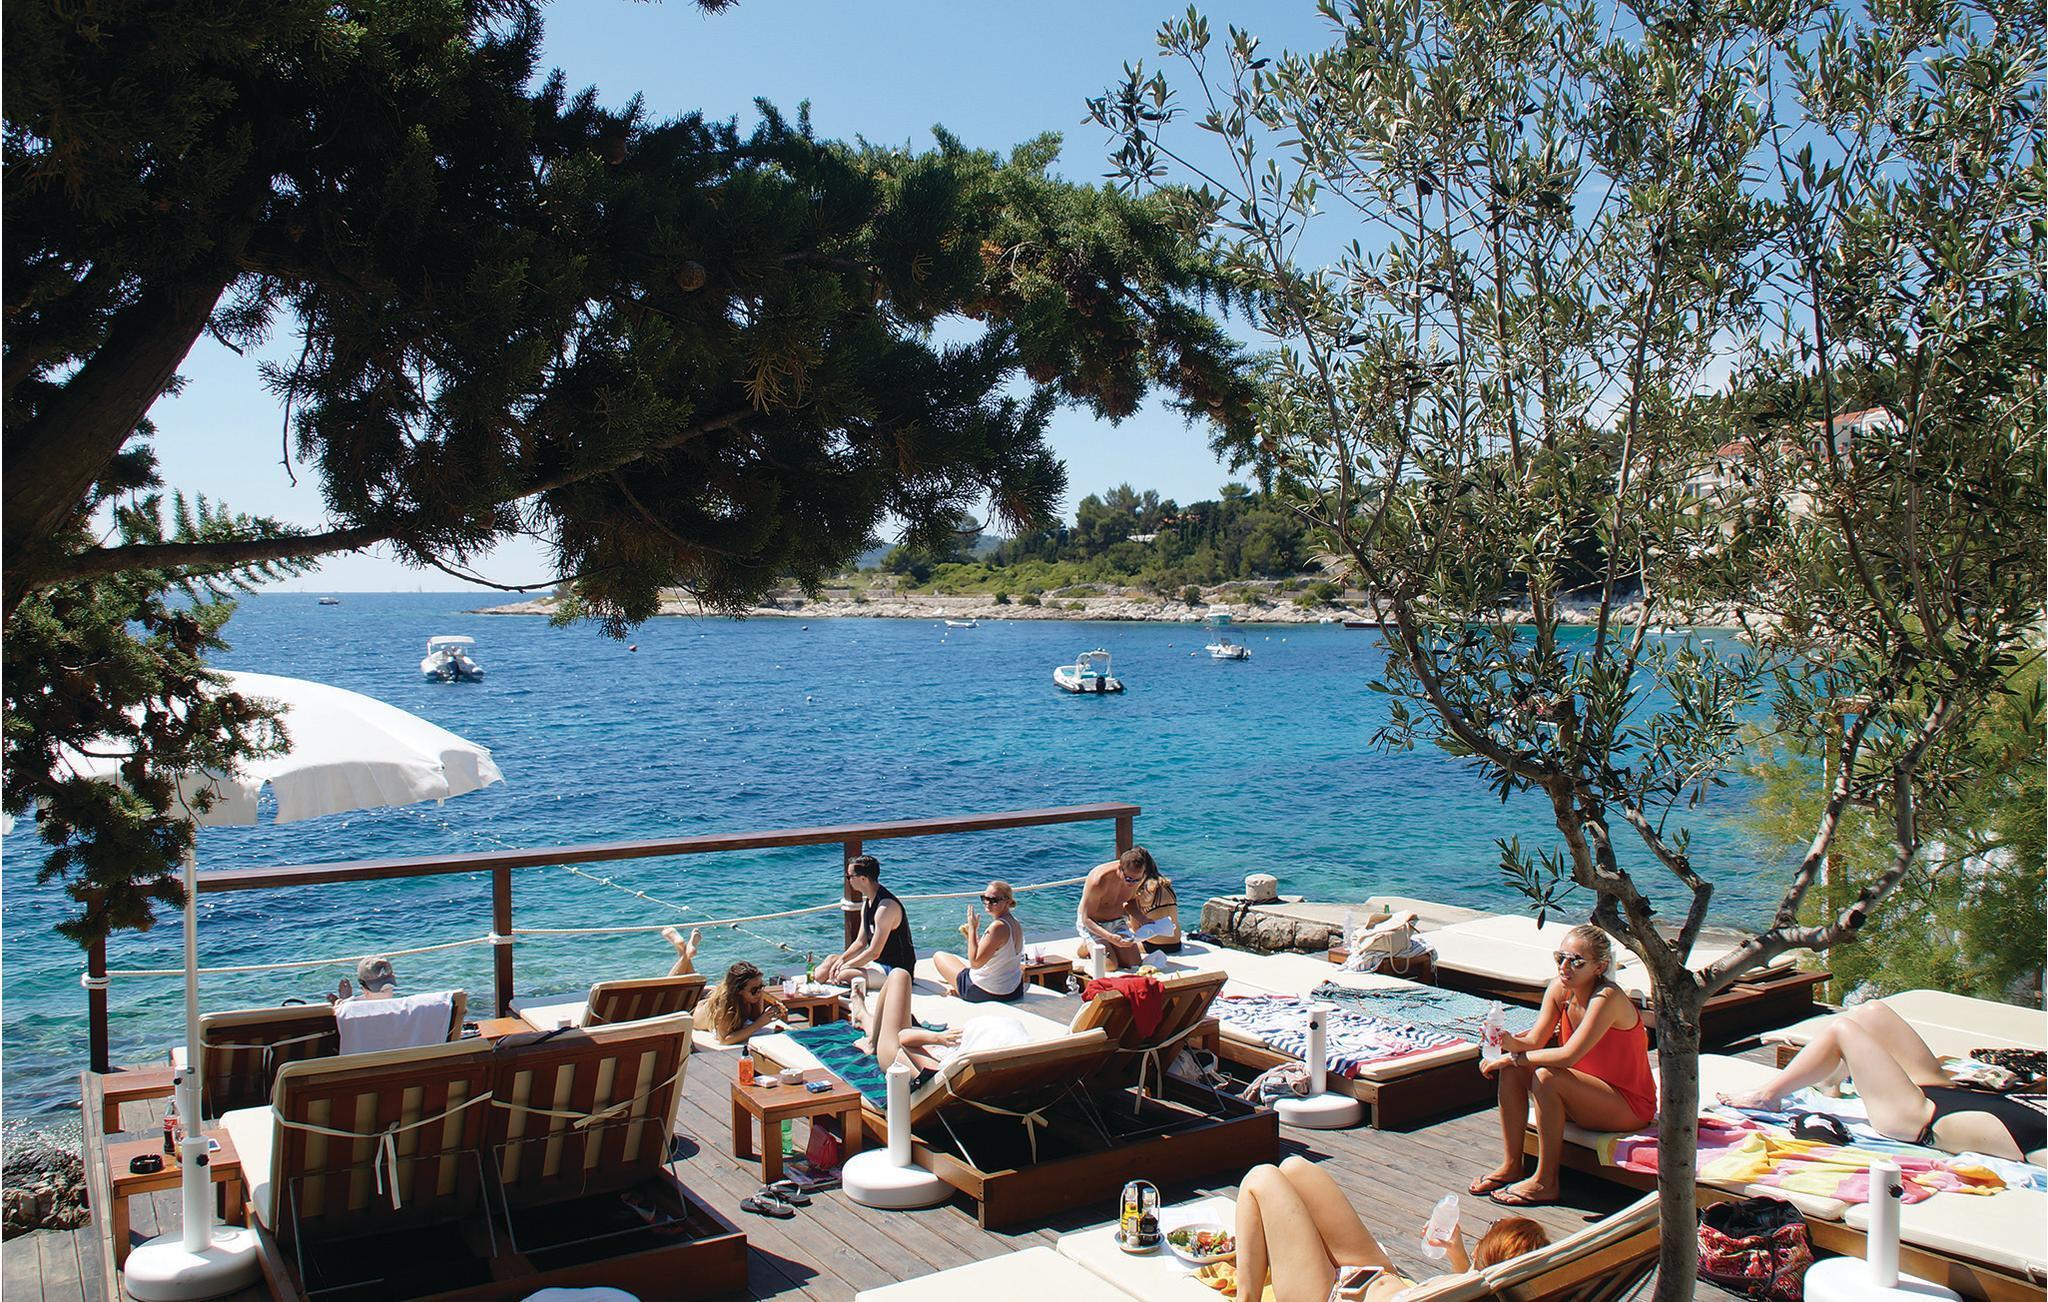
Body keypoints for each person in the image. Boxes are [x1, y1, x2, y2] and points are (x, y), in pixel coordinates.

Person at [1468, 924, 1657, 1206]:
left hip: (1627, 1106)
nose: (1564, 967)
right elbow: (1534, 1041)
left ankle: (1545, 1181)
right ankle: (1512, 1165)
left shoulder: (1607, 998)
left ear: (1599, 967)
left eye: (1576, 961)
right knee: (1512, 1070)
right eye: (1560, 958)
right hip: (1585, 1097)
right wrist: (1506, 1043)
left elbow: (1568, 1056)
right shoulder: (1561, 990)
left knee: (1547, 1077)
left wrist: (1515, 1056)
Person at [1718, 1002, 2046, 1163]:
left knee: (1841, 1031)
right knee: (1871, 1013)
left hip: (1916, 1118)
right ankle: (1830, 1082)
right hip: (1944, 1091)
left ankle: (1767, 1096)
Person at [1233, 1156, 1550, 1302]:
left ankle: (1246, 1298)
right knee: (1296, 1169)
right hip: (1375, 1274)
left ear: (1493, 1255)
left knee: (1261, 1177)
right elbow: (1473, 1285)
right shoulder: (1480, 1288)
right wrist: (1457, 1255)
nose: (1489, 1227)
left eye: (1493, 1228)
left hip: (1327, 1295)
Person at [814, 854, 917, 984]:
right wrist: (842, 960)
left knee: (844, 974)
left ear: (863, 879)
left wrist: (846, 966)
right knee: (831, 960)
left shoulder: (886, 908)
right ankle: (809, 986)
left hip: (896, 970)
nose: (848, 880)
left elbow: (874, 952)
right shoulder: (867, 903)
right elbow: (860, 943)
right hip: (877, 963)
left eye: (850, 877)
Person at [932, 880, 1025, 1002]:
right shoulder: (1015, 923)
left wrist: (972, 929)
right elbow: (995, 953)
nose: (987, 903)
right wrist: (974, 937)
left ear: (1007, 901)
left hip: (986, 991)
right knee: (961, 967)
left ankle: (959, 989)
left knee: (939, 956)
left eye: (993, 900)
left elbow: (975, 963)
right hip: (1013, 991)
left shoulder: (997, 927)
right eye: (985, 898)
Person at [1076, 846, 1156, 970]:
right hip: (1094, 925)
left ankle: (1108, 945)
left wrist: (1143, 919)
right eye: (1129, 879)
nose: (1132, 884)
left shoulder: (1137, 876)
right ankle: (1086, 945)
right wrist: (1110, 937)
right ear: (1120, 868)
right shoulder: (1099, 880)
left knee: (1134, 963)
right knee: (1109, 966)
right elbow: (1086, 919)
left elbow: (1130, 901)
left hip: (1117, 922)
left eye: (1137, 880)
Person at [697, 960, 790, 1045]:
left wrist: (772, 1012)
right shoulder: (727, 1004)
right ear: (739, 991)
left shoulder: (754, 995)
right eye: (754, 990)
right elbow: (724, 1040)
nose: (759, 992)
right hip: (696, 1011)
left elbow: (755, 1018)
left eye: (761, 986)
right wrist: (759, 1023)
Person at [1133, 856, 1182, 953]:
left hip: (1153, 946)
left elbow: (1136, 929)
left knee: (1116, 944)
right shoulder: (1167, 885)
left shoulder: (1142, 891)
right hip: (1176, 944)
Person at [329, 955, 398, 1004]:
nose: (388, 995)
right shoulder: (400, 1008)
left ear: (364, 990)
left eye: (389, 988)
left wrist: (344, 1003)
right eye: (383, 991)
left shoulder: (351, 1010)